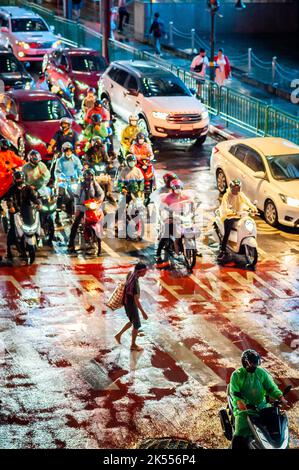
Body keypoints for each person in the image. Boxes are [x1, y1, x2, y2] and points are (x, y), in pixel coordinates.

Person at [229, 349, 287, 449]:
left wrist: (280, 397)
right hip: (245, 410)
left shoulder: (261, 373)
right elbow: (236, 394)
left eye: (256, 364)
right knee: (239, 434)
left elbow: (271, 388)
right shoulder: (237, 375)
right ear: (245, 362)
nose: (254, 367)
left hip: (262, 407)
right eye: (252, 364)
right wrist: (240, 403)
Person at [4, 170, 41, 261]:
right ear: (15, 179)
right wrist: (11, 206)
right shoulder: (12, 188)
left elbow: (33, 197)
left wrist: (38, 203)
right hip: (15, 211)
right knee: (12, 229)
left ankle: (38, 237)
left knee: (35, 224)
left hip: (27, 210)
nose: (19, 180)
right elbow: (8, 198)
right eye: (17, 179)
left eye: (20, 178)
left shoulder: (28, 188)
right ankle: (9, 251)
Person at [217, 179, 257, 261]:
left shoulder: (240, 195)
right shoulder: (226, 196)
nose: (236, 190)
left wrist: (253, 208)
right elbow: (225, 207)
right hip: (228, 216)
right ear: (231, 188)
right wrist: (230, 212)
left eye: (237, 188)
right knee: (227, 232)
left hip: (239, 215)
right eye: (234, 188)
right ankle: (223, 250)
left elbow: (247, 202)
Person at [68, 168, 104, 254]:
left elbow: (101, 193)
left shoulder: (95, 184)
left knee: (100, 218)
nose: (88, 177)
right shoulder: (81, 185)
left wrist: (99, 201)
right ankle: (71, 244)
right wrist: (77, 209)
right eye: (87, 175)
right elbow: (76, 197)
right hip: (83, 207)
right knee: (75, 224)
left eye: (90, 175)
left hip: (92, 207)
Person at [157, 178, 195, 260]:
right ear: (172, 189)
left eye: (179, 187)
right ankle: (158, 253)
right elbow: (162, 208)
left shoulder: (184, 196)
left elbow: (191, 202)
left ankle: (195, 249)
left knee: (191, 230)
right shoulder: (168, 197)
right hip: (170, 216)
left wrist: (192, 213)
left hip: (182, 216)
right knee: (166, 235)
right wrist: (167, 216)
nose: (178, 190)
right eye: (176, 188)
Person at [114, 262, 148, 352]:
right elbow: (136, 300)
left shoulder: (131, 274)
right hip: (131, 304)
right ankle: (133, 345)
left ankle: (118, 335)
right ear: (140, 271)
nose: (145, 273)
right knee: (136, 325)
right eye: (144, 271)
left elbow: (127, 279)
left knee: (132, 321)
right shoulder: (135, 283)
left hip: (126, 302)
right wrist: (143, 312)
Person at [55, 142, 83, 224]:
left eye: (70, 151)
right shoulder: (60, 161)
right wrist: (60, 178)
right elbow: (57, 171)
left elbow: (79, 169)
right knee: (60, 194)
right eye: (67, 151)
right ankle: (57, 213)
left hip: (73, 181)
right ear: (64, 152)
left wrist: (80, 176)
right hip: (63, 181)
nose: (68, 153)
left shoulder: (75, 159)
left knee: (73, 196)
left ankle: (71, 214)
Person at [84, 136, 116, 204]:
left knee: (109, 179)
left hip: (102, 170)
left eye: (98, 146)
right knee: (88, 182)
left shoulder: (102, 150)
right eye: (95, 146)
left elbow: (106, 159)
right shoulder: (89, 152)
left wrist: (109, 163)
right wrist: (86, 165)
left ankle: (109, 193)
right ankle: (89, 196)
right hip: (92, 171)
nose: (96, 148)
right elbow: (86, 160)